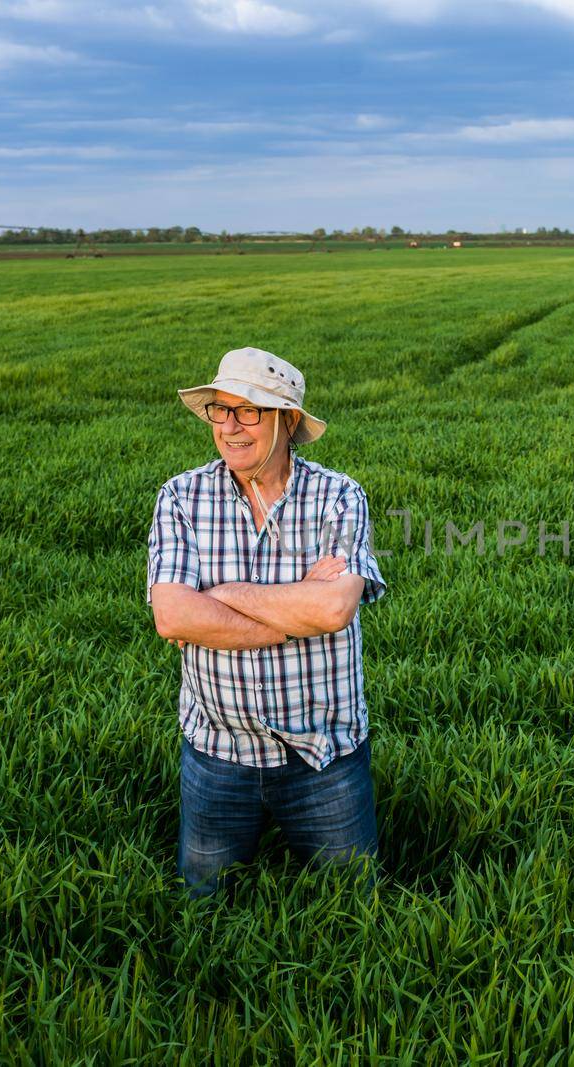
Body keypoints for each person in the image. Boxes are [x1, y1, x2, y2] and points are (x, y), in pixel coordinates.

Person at [146, 346, 387, 899]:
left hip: (324, 757)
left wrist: (221, 596)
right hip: (217, 755)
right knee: (204, 909)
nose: (231, 427)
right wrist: (294, 607)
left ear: (288, 420)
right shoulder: (181, 497)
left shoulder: (338, 497)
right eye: (221, 410)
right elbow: (173, 614)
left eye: (250, 410)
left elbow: (333, 610)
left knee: (352, 910)